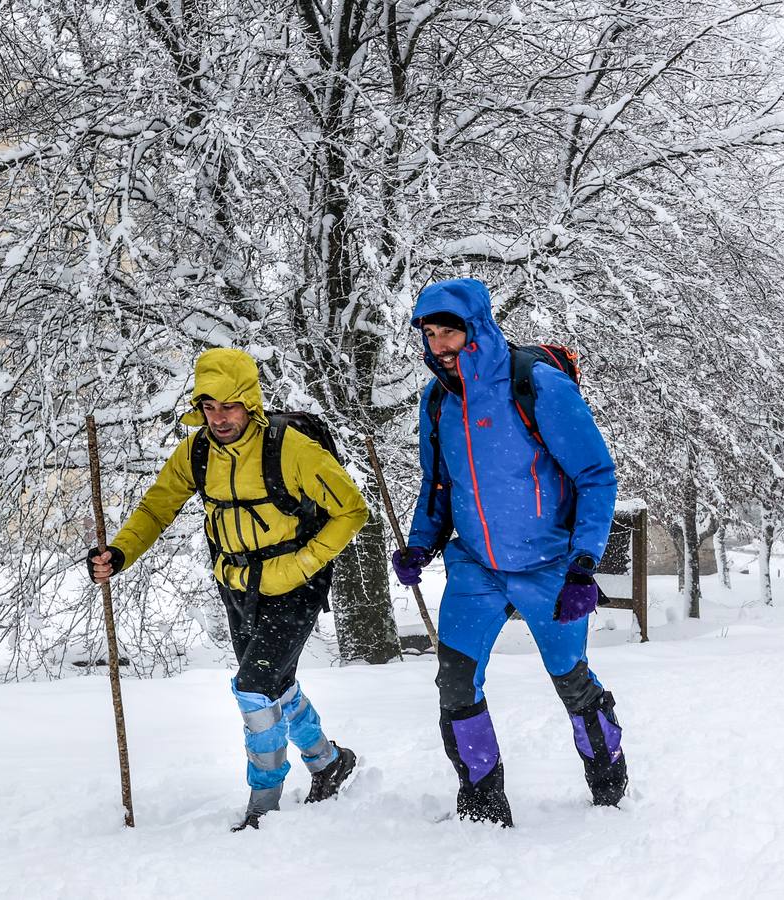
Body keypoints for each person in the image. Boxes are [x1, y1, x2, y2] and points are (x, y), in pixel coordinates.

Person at [86, 348, 369, 830]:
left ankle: (264, 803)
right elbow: (158, 508)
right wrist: (121, 552)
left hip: (296, 584)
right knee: (274, 685)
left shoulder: (291, 449)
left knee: (254, 687)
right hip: (236, 584)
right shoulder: (196, 452)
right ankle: (328, 762)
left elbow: (352, 510)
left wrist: (303, 563)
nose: (219, 418)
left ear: (251, 404)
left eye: (230, 406)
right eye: (209, 406)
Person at [391, 277, 627, 827]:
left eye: (449, 332)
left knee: (571, 681)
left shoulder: (536, 385)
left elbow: (596, 475)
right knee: (454, 682)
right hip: (476, 567)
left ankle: (609, 785)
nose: (439, 345)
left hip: (548, 566)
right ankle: (481, 802)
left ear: (475, 329)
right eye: (430, 335)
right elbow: (439, 485)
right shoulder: (437, 401)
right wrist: (421, 543)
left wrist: (583, 565)